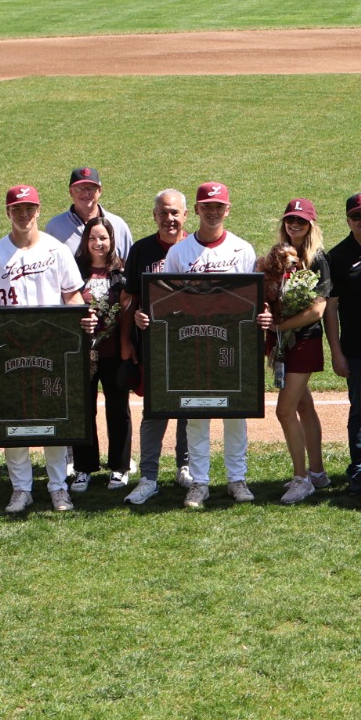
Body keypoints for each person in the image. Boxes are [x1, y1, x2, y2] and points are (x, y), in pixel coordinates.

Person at [0, 184, 90, 514]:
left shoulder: (56, 250)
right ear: (8, 212)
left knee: (53, 419)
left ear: (38, 211)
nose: (24, 215)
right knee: (15, 420)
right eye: (17, 209)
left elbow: (72, 296)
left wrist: (79, 322)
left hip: (50, 348)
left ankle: (57, 487)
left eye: (29, 209)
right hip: (10, 351)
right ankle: (21, 489)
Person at [161, 182, 272, 508]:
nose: (213, 211)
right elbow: (168, 300)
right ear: (196, 210)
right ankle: (200, 482)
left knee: (235, 413)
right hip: (193, 343)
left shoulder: (242, 249)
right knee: (197, 414)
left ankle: (237, 479)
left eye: (218, 206)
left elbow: (252, 299)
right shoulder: (179, 252)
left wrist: (262, 316)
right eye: (206, 205)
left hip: (232, 344)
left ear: (228, 209)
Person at [121, 190, 193, 506]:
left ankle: (186, 467)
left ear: (186, 216)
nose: (170, 218)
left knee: (189, 407)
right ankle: (148, 476)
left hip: (190, 343)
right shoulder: (141, 250)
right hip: (152, 345)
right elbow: (129, 300)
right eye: (164, 213)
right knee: (154, 411)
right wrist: (127, 337)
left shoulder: (195, 249)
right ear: (155, 216)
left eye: (175, 212)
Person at [267, 199, 331, 503]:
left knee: (284, 410)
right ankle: (317, 472)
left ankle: (301, 478)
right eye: (291, 220)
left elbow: (318, 310)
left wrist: (280, 327)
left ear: (311, 225)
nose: (295, 225)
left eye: (301, 221)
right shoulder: (279, 256)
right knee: (304, 407)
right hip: (286, 343)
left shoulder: (317, 258)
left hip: (304, 341)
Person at [324, 193, 361, 494]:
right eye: (358, 215)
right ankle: (359, 469)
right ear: (348, 220)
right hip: (358, 346)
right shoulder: (337, 257)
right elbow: (330, 309)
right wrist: (336, 352)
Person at [71, 215, 130, 491]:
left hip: (114, 350)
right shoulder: (74, 271)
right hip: (82, 353)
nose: (98, 243)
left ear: (112, 240)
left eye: (103, 238)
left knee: (118, 409)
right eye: (93, 238)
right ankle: (83, 468)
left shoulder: (121, 273)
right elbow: (63, 305)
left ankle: (119, 467)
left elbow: (129, 308)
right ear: (85, 241)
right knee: (84, 409)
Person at [44, 166, 133, 261]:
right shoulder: (55, 227)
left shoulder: (118, 225)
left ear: (99, 191)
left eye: (91, 188)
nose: (86, 193)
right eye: (79, 189)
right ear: (71, 192)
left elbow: (130, 266)